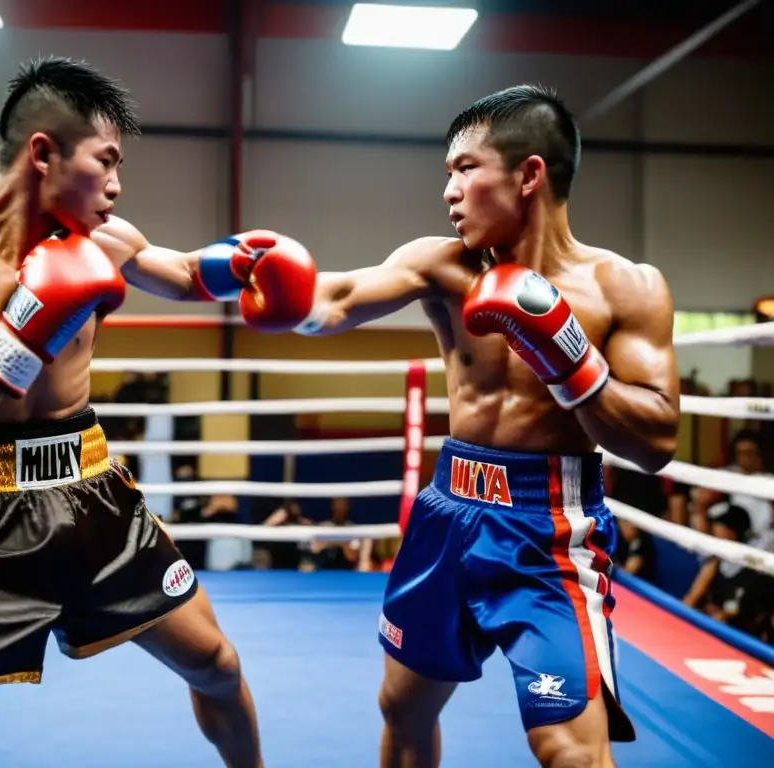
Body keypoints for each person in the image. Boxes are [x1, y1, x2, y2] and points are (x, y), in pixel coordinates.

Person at [0, 56, 314, 768]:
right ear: (43, 154)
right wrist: (25, 330)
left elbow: (189, 274)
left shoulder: (104, 239)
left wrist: (251, 266)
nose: (116, 185)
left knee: (218, 668)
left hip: (95, 501)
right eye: (105, 162)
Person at [287, 85, 681, 767]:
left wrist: (568, 357)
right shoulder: (441, 264)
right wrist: (260, 280)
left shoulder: (627, 288)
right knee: (403, 706)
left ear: (528, 174)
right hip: (448, 513)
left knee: (570, 750)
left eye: (465, 168)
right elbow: (337, 298)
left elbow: (656, 442)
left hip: (549, 532)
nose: (449, 191)